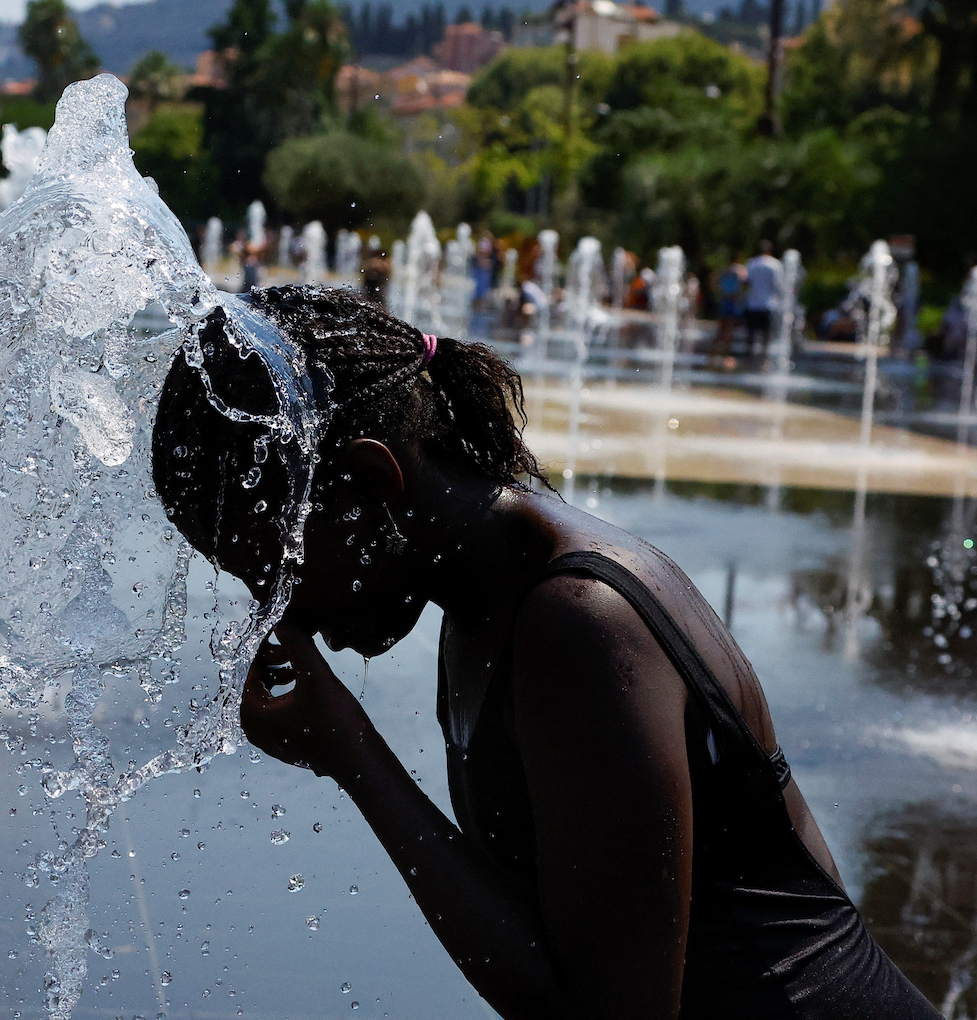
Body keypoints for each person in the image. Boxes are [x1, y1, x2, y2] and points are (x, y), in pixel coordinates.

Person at [150, 285, 942, 1020]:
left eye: (277, 563)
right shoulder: (485, 591)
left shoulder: (579, 621)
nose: (277, 610)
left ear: (368, 480)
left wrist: (355, 755)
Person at [743, 241, 782, 355]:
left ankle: (749, 356)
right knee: (767, 334)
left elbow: (747, 282)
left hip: (752, 303)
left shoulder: (752, 263)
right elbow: (779, 285)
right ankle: (764, 357)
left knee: (751, 334)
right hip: (769, 304)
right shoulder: (775, 265)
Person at [715, 253, 747, 349]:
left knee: (722, 327)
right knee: (730, 327)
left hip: (725, 299)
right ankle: (726, 349)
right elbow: (746, 281)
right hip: (733, 300)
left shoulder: (724, 270)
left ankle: (715, 351)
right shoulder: (739, 270)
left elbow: (716, 281)